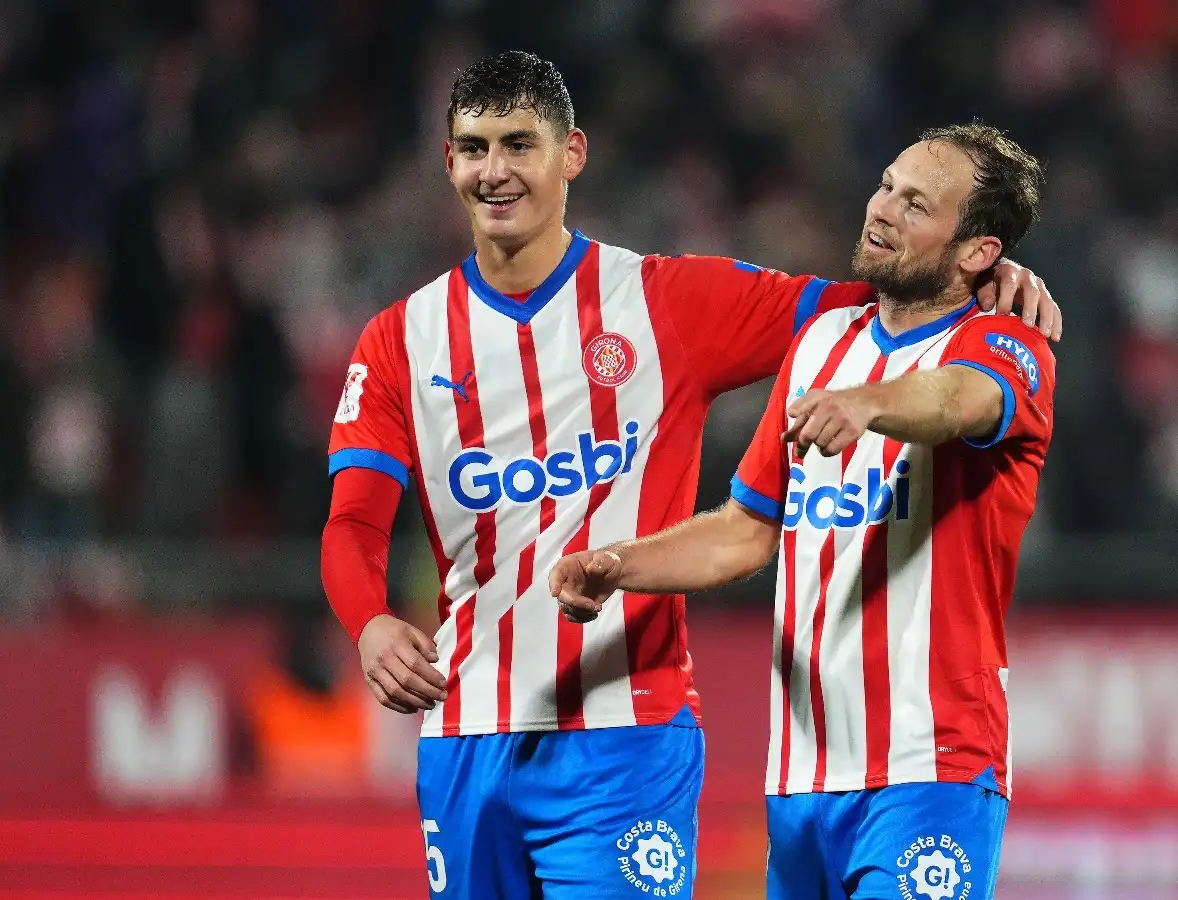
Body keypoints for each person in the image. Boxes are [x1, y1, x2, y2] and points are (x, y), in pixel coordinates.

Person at [322, 50, 1060, 899]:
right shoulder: (396, 342)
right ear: (447, 160)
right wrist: (370, 623)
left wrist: (995, 287)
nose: (496, 171)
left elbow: (904, 326)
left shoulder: (667, 303)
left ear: (573, 154)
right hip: (467, 731)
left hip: (632, 731)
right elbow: (352, 525)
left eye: (520, 144)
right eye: (475, 147)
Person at [550, 124, 1051, 900]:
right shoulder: (821, 344)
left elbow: (958, 398)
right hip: (800, 779)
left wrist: (869, 406)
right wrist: (620, 564)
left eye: (916, 204)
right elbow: (746, 531)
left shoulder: (1007, 345)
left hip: (932, 766)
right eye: (886, 184)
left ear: (977, 252)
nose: (881, 210)